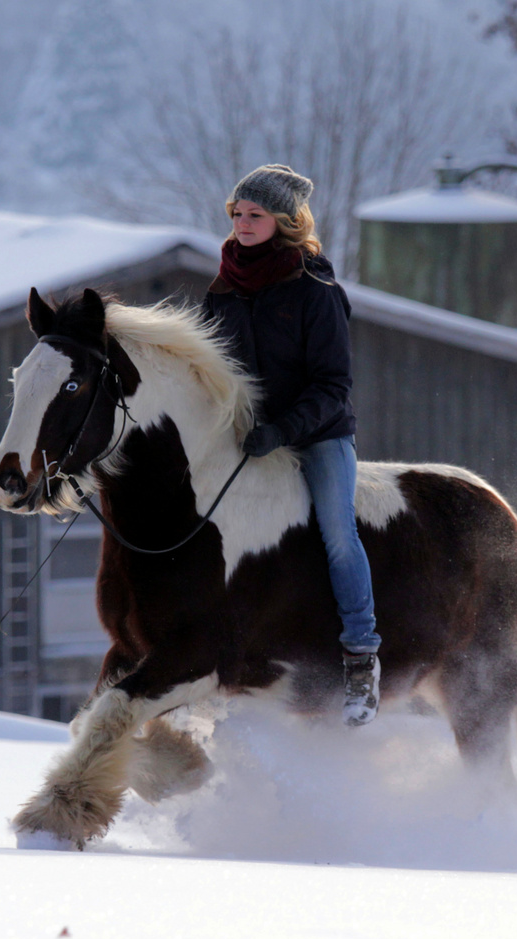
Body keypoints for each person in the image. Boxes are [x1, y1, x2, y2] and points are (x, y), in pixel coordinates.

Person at [204, 163, 382, 726]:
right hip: (245, 438)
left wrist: (283, 429)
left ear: (284, 221)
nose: (243, 223)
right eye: (237, 213)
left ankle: (360, 657)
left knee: (336, 531)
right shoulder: (223, 285)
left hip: (316, 435)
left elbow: (334, 386)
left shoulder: (315, 287)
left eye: (255, 214)